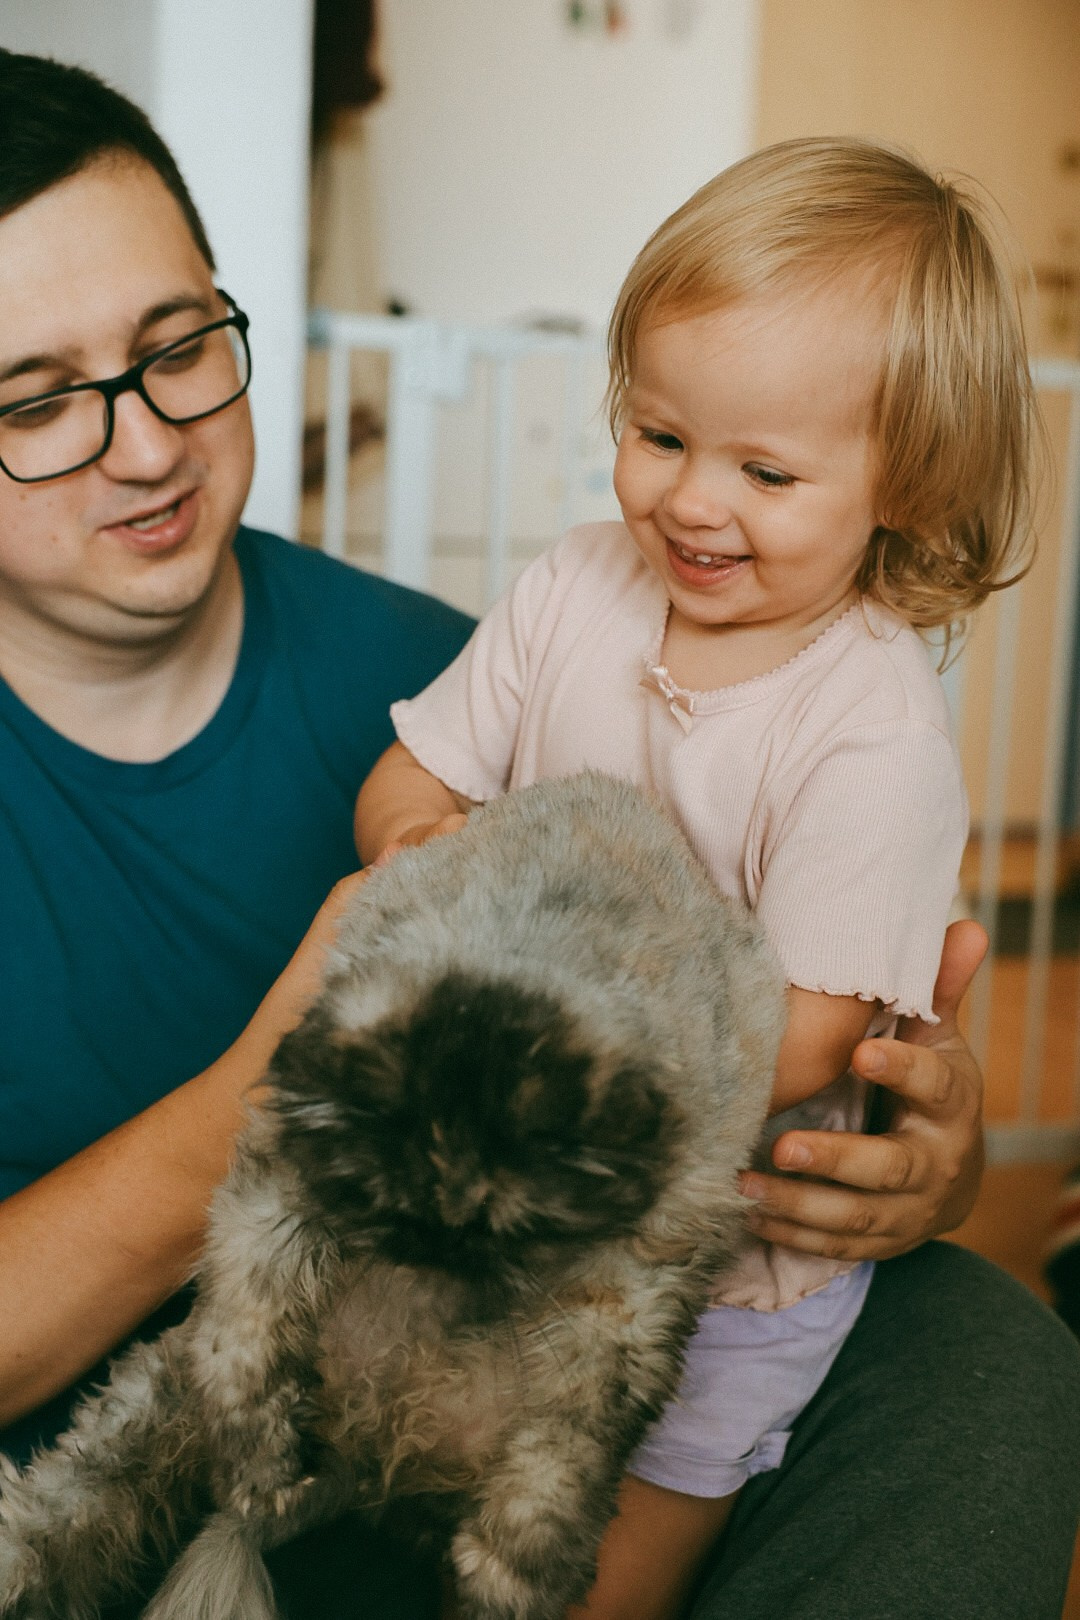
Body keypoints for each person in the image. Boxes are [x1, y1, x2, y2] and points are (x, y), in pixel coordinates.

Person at [0, 48, 1075, 1619]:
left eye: (178, 351)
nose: (150, 443)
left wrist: (917, 1160)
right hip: (163, 1400)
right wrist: (292, 1085)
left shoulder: (435, 647)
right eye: (36, 399)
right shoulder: (575, 604)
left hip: (578, 1283)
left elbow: (815, 1037)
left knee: (980, 1357)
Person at [356, 139, 1080, 1620]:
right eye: (660, 434)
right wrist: (424, 856)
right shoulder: (572, 586)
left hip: (725, 1263)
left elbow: (805, 1037)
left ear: (905, 485)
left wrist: (558, 1052)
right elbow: (412, 777)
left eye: (766, 472)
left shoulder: (870, 725)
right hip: (493, 1200)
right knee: (438, 1496)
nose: (692, 502)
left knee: (594, 1571)